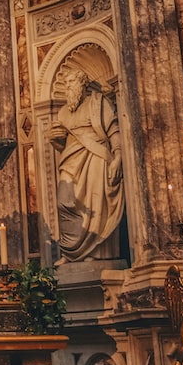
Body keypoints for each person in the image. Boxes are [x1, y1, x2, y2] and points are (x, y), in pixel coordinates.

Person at [49, 69, 124, 262]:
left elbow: (114, 130)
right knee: (64, 202)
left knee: (95, 205)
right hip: (71, 160)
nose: (67, 87)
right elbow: (62, 144)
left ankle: (95, 253)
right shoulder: (63, 112)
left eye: (71, 82)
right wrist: (55, 140)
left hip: (96, 157)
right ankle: (72, 252)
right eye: (65, 84)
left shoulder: (98, 104)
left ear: (82, 84)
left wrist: (118, 156)